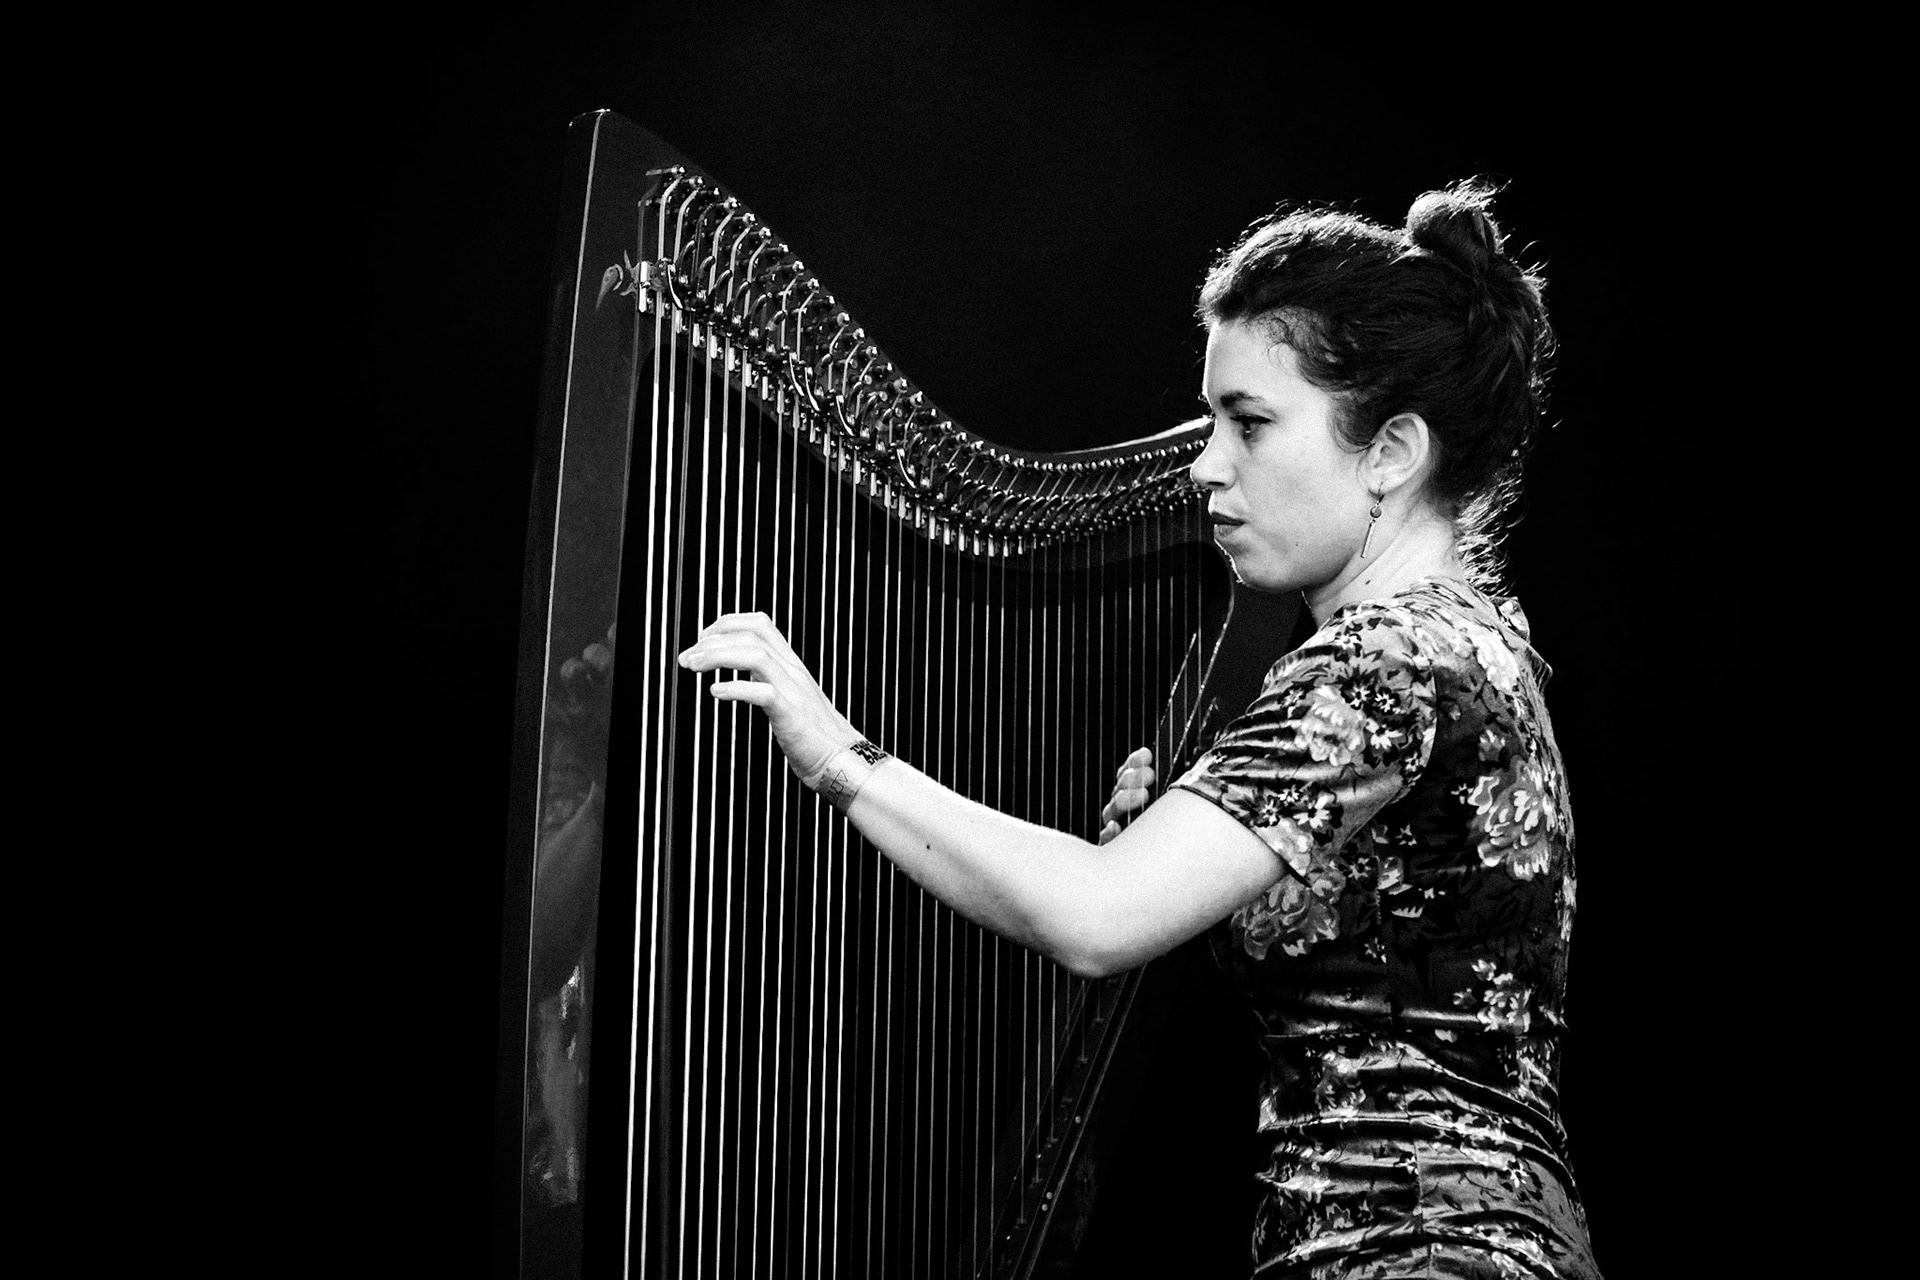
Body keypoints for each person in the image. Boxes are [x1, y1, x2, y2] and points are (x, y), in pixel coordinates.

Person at [677, 180, 1601, 1278]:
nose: (1207, 462)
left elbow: (1095, 918)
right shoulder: (1474, 638)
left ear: (1391, 451)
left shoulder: (1387, 662)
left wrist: (834, 748)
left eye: (1250, 422)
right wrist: (1177, 854)